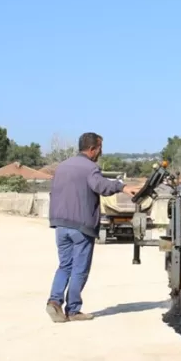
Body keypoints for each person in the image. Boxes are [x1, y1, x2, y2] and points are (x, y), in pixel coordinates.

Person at [46, 132, 138, 323]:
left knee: (65, 265)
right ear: (92, 149)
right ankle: (73, 310)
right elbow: (100, 186)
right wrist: (122, 187)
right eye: (100, 148)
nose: (101, 152)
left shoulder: (62, 167)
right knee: (80, 268)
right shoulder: (90, 168)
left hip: (60, 224)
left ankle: (54, 301)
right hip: (81, 225)